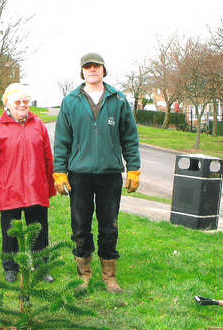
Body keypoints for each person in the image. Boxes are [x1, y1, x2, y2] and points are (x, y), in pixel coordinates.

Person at [53, 52, 141, 294]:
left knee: (109, 226)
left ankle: (110, 276)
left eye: (96, 66)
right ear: (82, 72)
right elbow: (62, 141)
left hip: (110, 174)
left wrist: (134, 168)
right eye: (87, 67)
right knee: (80, 225)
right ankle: (84, 274)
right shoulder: (71, 101)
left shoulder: (119, 100)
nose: (92, 70)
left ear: (104, 70)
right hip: (79, 174)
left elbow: (130, 138)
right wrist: (59, 172)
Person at [0, 83, 56, 283]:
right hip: (8, 189)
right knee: (10, 232)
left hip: (36, 188)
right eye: (18, 101)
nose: (23, 105)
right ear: (8, 104)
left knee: (39, 230)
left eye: (26, 101)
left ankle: (41, 267)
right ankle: (10, 268)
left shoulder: (38, 125)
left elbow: (48, 157)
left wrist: (52, 183)